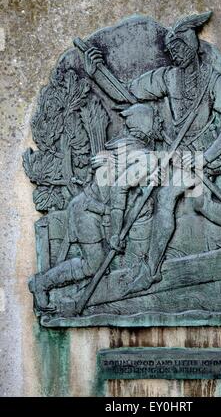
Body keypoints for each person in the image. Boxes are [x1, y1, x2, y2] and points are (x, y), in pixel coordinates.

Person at [83, 12, 221, 294]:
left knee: (166, 196)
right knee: (201, 203)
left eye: (178, 47)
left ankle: (150, 271)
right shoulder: (167, 77)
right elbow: (126, 94)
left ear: (191, 47)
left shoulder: (214, 82)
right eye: (170, 49)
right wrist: (97, 73)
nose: (173, 53)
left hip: (203, 155)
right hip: (177, 154)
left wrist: (207, 157)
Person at [29, 104, 159, 310]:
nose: (160, 123)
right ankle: (40, 284)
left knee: (108, 264)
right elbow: (118, 192)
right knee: (94, 265)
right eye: (156, 119)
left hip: (100, 213)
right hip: (87, 211)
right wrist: (115, 233)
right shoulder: (136, 156)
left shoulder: (137, 153)